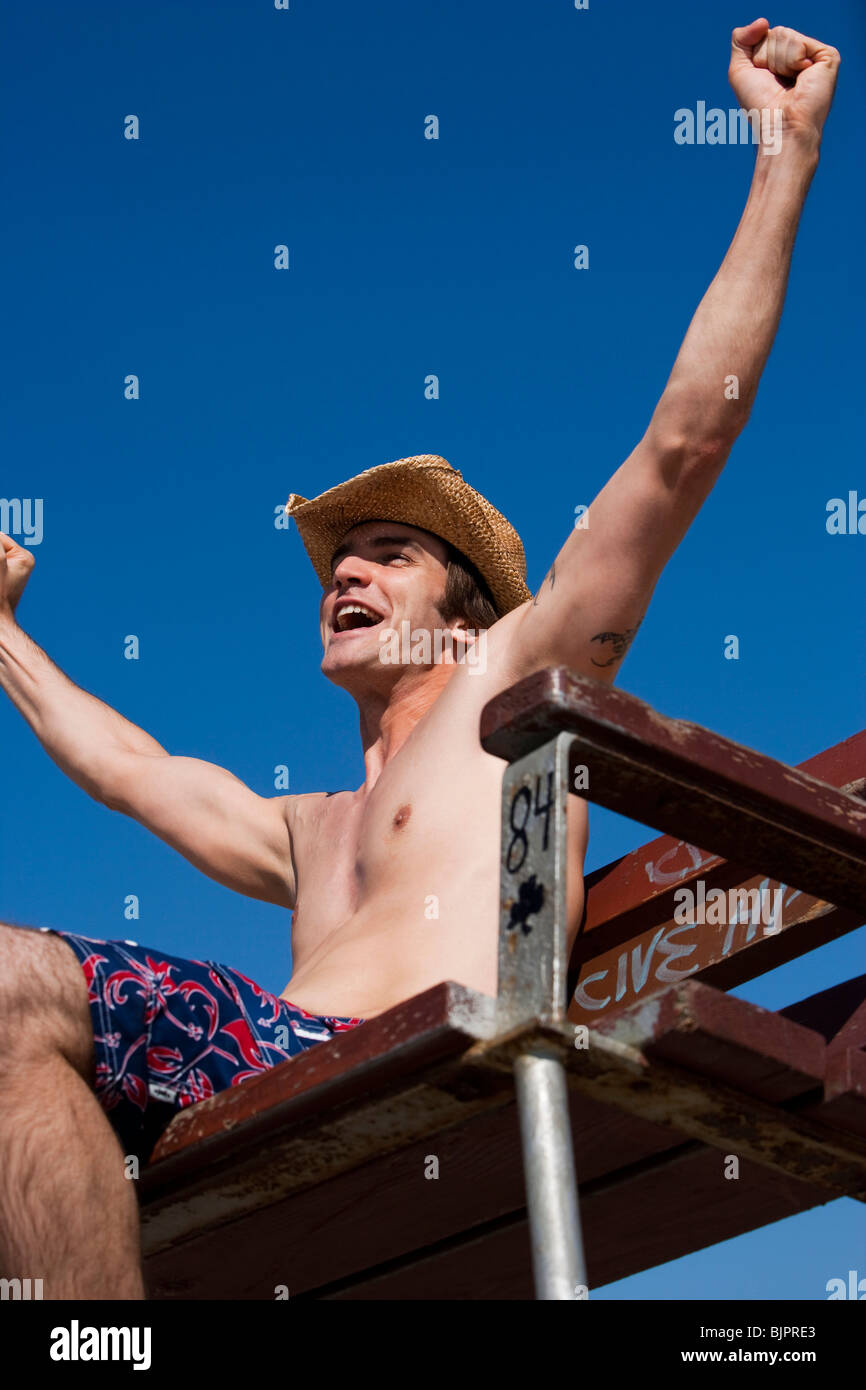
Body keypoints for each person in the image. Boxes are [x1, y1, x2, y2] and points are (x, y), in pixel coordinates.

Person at [0, 19, 840, 1299]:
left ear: (463, 613)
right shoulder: (303, 829)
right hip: (257, 1085)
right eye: (342, 558)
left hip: (422, 1075)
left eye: (389, 553)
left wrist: (780, 149)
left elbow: (678, 449)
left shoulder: (515, 680)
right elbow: (124, 765)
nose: (345, 570)